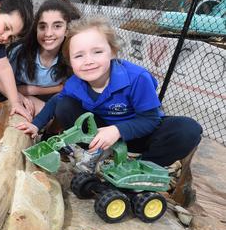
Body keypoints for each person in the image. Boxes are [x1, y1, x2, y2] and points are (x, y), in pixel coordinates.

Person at [16, 16, 202, 169]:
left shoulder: (137, 78)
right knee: (64, 105)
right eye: (79, 55)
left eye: (97, 52)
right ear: (70, 61)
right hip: (99, 135)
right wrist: (35, 125)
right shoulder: (75, 83)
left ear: (112, 52)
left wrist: (117, 130)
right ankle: (96, 155)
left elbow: (150, 120)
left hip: (139, 133)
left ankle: (140, 167)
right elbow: (56, 101)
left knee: (188, 130)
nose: (88, 60)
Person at [0, 0, 81, 118]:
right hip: (13, 95)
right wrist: (21, 95)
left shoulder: (72, 55)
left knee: (64, 111)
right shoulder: (21, 52)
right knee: (47, 115)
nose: (48, 33)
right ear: (36, 29)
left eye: (57, 26)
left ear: (67, 30)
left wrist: (34, 90)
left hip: (47, 98)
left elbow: (69, 88)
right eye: (42, 27)